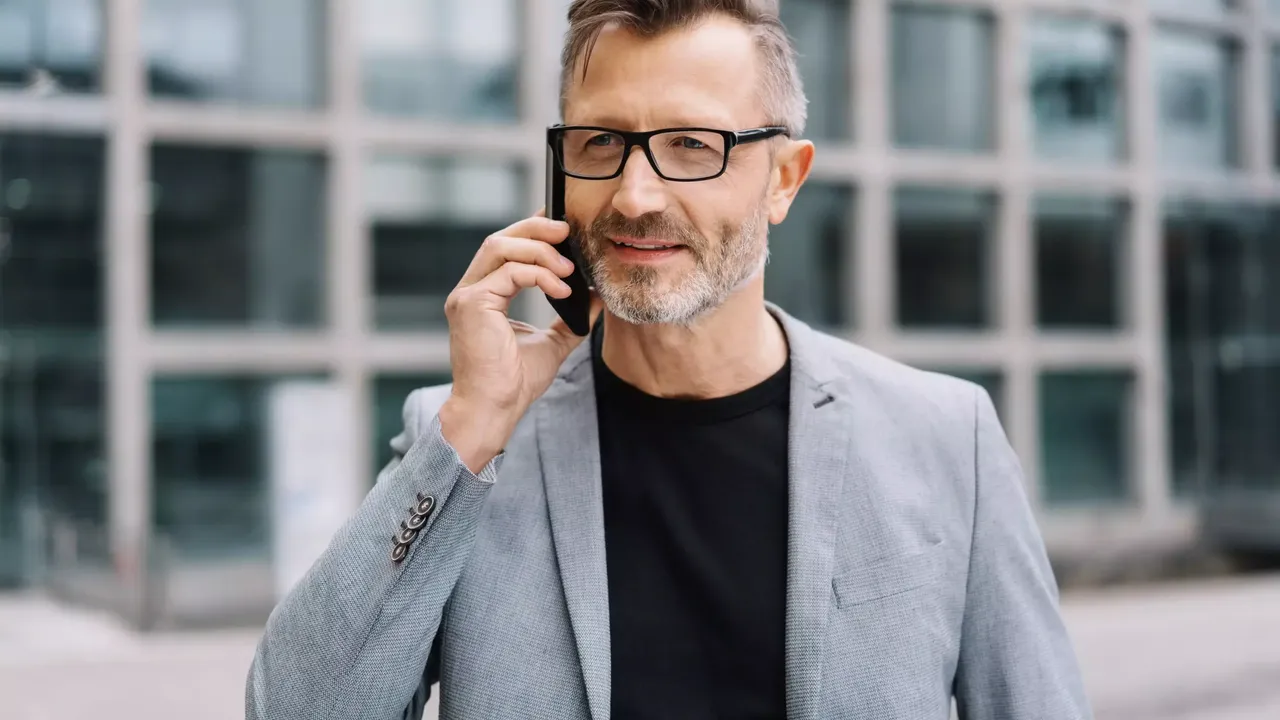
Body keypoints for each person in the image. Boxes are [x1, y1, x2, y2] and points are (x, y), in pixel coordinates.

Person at [246, 1, 1092, 718]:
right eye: (601, 143)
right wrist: (471, 431)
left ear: (784, 179)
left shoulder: (947, 438)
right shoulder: (463, 442)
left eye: (692, 146)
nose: (636, 195)